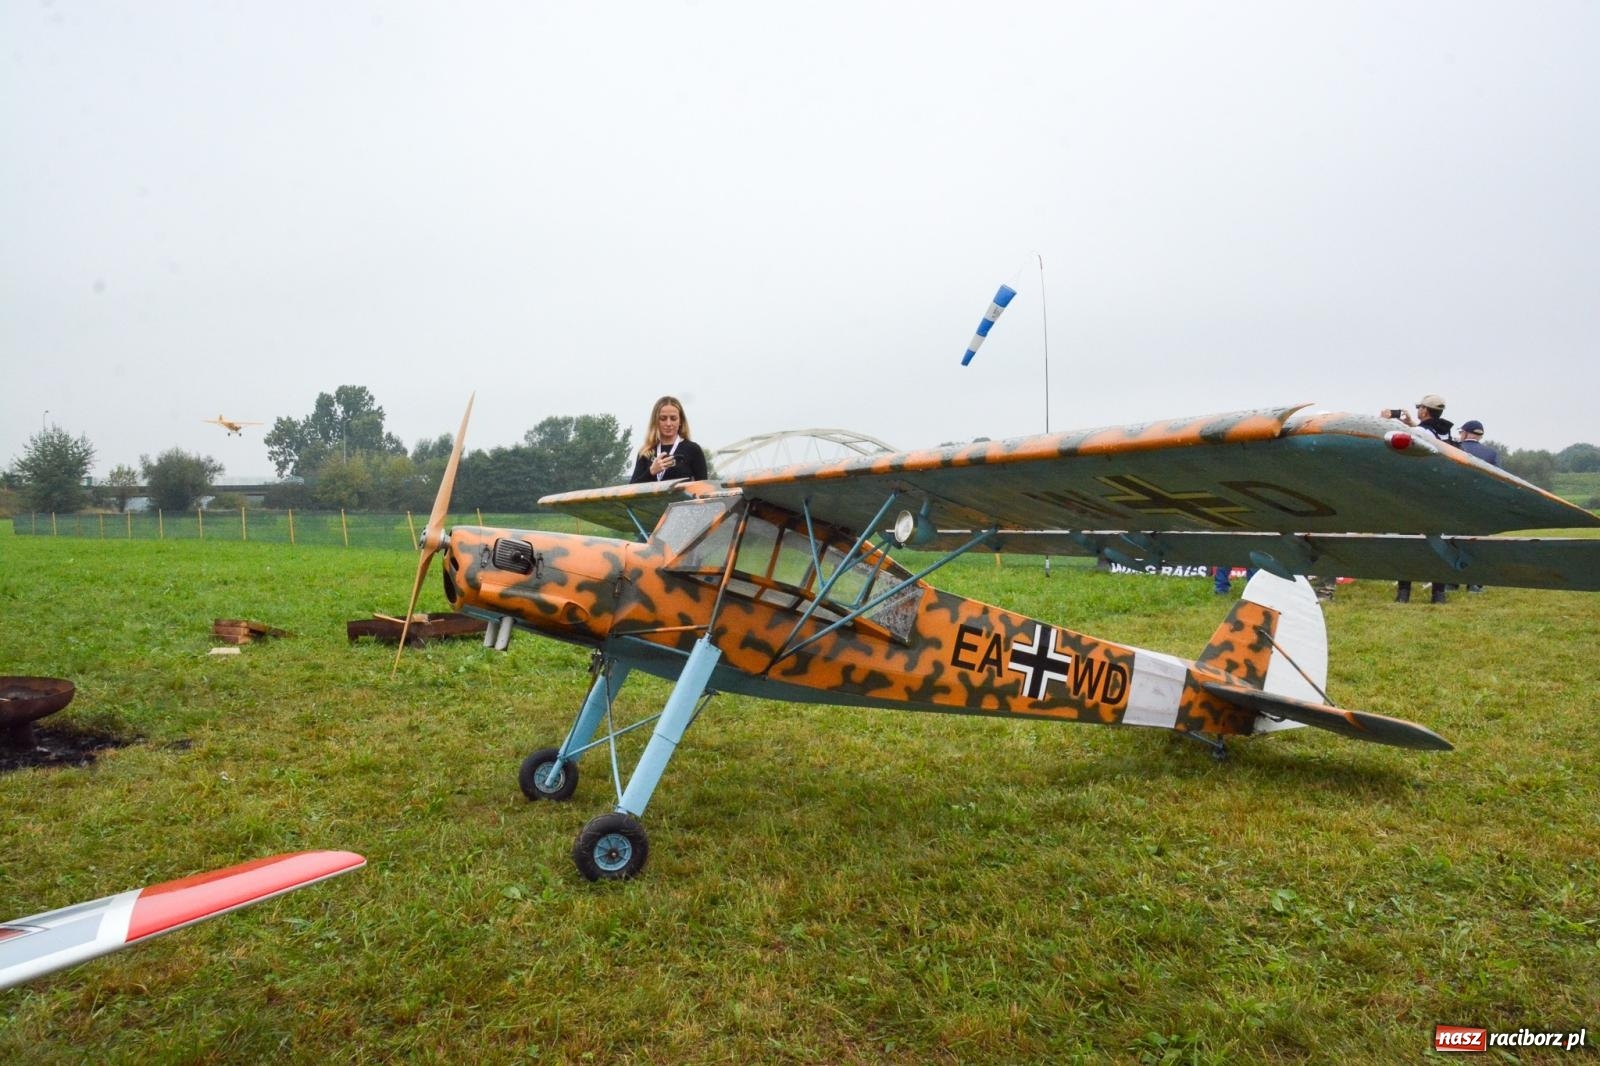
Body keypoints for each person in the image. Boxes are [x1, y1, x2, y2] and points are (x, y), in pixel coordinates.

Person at [1385, 393, 1453, 603]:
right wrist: (1412, 424)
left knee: (1407, 543)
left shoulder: (1416, 432)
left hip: (1414, 495)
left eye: (1419, 408)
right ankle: (1438, 593)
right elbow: (1426, 434)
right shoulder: (1445, 433)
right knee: (1437, 545)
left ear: (1424, 410)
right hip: (1438, 495)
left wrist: (1386, 419)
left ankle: (1404, 592)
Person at [629, 395, 708, 484]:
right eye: (663, 419)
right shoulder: (646, 452)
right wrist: (651, 472)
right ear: (655, 421)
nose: (668, 423)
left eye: (673, 418)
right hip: (654, 498)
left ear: (680, 421)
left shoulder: (693, 449)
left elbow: (704, 487)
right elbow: (631, 489)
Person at [1384, 393, 1453, 442]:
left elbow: (1392, 439)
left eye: (1419, 407)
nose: (1418, 409)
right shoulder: (1445, 431)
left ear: (1424, 411)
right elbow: (1429, 431)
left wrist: (1383, 420)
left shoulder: (1419, 431)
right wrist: (1411, 423)